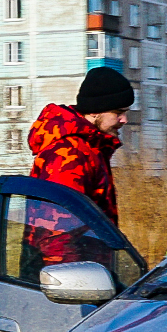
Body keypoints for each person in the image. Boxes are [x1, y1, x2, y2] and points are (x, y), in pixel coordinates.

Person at [27, 65, 135, 222]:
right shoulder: (68, 153)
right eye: (118, 113)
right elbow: (59, 230)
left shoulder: (90, 148)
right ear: (94, 111)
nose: (125, 120)